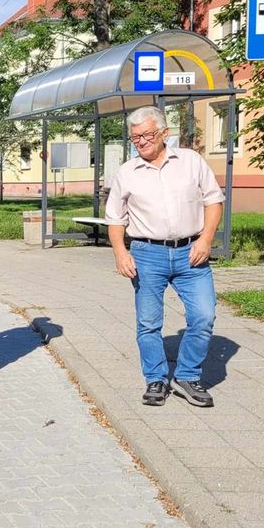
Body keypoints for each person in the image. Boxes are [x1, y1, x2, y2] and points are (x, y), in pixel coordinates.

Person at [105, 105, 224, 408]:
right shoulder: (127, 173)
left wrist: (206, 239)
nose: (141, 142)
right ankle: (156, 379)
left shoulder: (190, 162)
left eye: (146, 135)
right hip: (147, 254)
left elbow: (213, 201)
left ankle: (187, 374)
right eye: (135, 138)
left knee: (203, 315)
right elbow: (115, 219)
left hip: (191, 252)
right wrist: (120, 252)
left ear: (163, 133)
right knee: (148, 323)